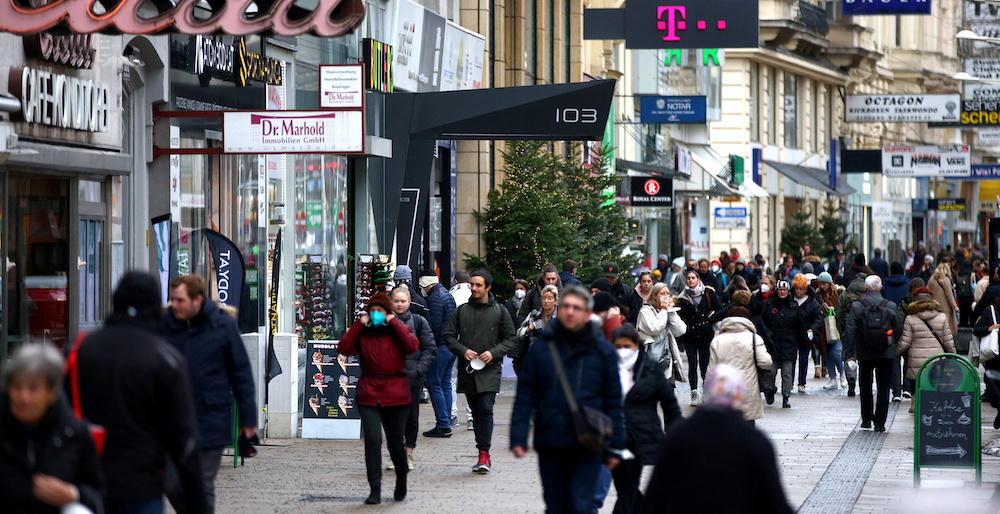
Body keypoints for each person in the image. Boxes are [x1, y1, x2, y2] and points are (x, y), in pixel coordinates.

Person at [76, 272, 206, 514]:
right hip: (141, 487)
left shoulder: (80, 351)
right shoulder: (165, 359)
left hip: (86, 487)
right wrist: (198, 504)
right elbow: (185, 440)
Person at [510, 286, 625, 513]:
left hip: (588, 438)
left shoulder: (602, 350)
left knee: (581, 503)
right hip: (551, 438)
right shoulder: (542, 348)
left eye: (577, 308)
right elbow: (525, 395)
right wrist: (518, 435)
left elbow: (613, 400)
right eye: (566, 307)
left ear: (586, 313)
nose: (571, 312)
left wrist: (615, 447)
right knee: (555, 504)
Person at [639, 364, 794, 514]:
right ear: (739, 395)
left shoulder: (678, 436)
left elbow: (656, 496)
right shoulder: (755, 442)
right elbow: (774, 501)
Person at [161, 274, 256, 513]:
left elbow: (241, 372)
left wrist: (248, 419)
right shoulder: (164, 325)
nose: (175, 305)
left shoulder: (222, 325)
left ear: (198, 300)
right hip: (172, 420)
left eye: (180, 300)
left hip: (210, 417)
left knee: (202, 484)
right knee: (171, 483)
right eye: (173, 299)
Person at [0, 344, 103, 514]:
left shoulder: (74, 434)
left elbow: (98, 496)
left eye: (33, 389)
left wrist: (73, 494)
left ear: (52, 392)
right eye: (17, 387)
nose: (23, 397)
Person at [339, 292, 420, 504]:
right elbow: (344, 348)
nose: (376, 314)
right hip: (369, 392)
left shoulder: (398, 330)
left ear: (388, 312)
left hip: (396, 393)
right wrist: (359, 324)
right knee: (373, 440)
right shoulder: (363, 334)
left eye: (380, 311)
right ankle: (375, 488)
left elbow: (412, 346)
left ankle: (401, 476)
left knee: (395, 443)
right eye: (372, 311)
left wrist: (393, 323)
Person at [445, 270, 518, 474]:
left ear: (488, 287)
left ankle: (484, 453)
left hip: (490, 368)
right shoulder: (461, 311)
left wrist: (493, 353)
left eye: (478, 285)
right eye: (472, 285)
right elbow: (449, 336)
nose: (474, 288)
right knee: (476, 410)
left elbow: (511, 339)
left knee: (485, 407)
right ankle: (482, 450)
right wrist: (463, 350)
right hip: (468, 369)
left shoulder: (500, 311)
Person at [608, 324, 682, 513]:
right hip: (612, 438)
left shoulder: (650, 369)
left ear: (636, 346)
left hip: (639, 438)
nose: (622, 351)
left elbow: (670, 406)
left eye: (627, 347)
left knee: (628, 486)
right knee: (625, 487)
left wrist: (675, 437)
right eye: (618, 347)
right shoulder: (606, 368)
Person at [844, 275, 902, 432]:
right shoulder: (890, 305)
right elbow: (898, 328)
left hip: (865, 351)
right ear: (881, 287)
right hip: (886, 352)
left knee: (865, 385)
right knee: (884, 386)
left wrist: (850, 353)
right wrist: (894, 346)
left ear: (866, 288)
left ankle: (866, 419)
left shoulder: (857, 306)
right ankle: (880, 422)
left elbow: (850, 331)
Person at [389, 287, 437, 471]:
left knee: (410, 418)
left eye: (403, 301)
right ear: (391, 302)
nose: (399, 304)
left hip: (411, 380)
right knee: (391, 419)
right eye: (396, 301)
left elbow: (430, 349)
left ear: (409, 302)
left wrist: (418, 371)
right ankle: (395, 453)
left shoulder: (419, 322)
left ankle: (408, 452)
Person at [708, 307, 773, 423]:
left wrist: (706, 396)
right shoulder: (754, 338)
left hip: (724, 388)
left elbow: (711, 370)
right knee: (748, 422)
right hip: (748, 386)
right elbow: (765, 362)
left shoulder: (717, 340)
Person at [897, 287, 955, 414]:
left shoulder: (910, 318)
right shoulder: (941, 317)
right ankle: (936, 404)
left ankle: (914, 405)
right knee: (936, 381)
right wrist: (954, 355)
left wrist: (895, 352)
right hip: (937, 357)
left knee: (915, 380)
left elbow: (905, 341)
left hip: (916, 357)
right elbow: (947, 340)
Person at [419, 270, 459, 438]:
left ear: (426, 285)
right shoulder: (447, 294)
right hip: (451, 346)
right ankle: (447, 420)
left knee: (435, 384)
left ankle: (443, 424)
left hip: (440, 346)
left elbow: (434, 325)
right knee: (445, 384)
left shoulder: (434, 297)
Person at [676, 268, 723, 405]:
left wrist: (711, 320)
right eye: (688, 278)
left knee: (705, 363)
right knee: (691, 363)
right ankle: (694, 392)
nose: (690, 280)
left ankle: (706, 392)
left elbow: (720, 309)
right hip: (690, 334)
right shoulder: (682, 297)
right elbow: (679, 315)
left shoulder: (708, 293)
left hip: (705, 333)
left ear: (698, 280)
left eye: (693, 278)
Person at [763, 280, 804, 408]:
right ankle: (769, 391)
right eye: (780, 290)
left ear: (788, 292)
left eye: (784, 290)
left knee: (787, 373)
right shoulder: (769, 305)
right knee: (771, 372)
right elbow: (763, 322)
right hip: (772, 344)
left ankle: (786, 396)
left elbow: (800, 326)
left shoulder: (793, 307)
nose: (782, 292)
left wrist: (803, 342)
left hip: (788, 344)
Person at [636, 282, 687, 382]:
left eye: (668, 294)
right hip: (650, 356)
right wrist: (664, 311)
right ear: (654, 296)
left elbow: (681, 330)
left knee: (669, 390)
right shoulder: (645, 311)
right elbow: (655, 328)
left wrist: (671, 312)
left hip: (667, 359)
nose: (666, 297)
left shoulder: (667, 311)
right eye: (662, 294)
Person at [835, 273, 868, 397]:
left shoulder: (845, 294)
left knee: (849, 355)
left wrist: (841, 330)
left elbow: (839, 314)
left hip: (849, 329)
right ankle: (864, 384)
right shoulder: (868, 293)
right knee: (864, 359)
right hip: (865, 330)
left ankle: (851, 380)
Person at [515, 284, 559, 374]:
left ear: (556, 300)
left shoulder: (561, 317)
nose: (546, 301)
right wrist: (528, 329)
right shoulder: (534, 315)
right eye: (544, 298)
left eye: (550, 298)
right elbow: (519, 333)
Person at [791, 274, 824, 392]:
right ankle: (790, 382)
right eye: (796, 288)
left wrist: (812, 329)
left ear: (805, 289)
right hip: (792, 333)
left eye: (801, 289)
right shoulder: (790, 300)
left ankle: (802, 382)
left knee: (804, 357)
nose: (798, 291)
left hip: (806, 333)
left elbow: (819, 318)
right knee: (791, 359)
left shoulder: (812, 303)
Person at [815, 272, 845, 390]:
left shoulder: (838, 293)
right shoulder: (818, 295)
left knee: (835, 352)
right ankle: (832, 378)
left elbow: (842, 308)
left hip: (835, 327)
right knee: (826, 354)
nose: (822, 286)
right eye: (820, 284)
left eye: (824, 284)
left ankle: (842, 374)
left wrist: (834, 309)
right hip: (823, 329)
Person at [928, 263, 959, 338]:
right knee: (945, 330)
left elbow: (928, 291)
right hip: (945, 308)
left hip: (934, 307)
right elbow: (949, 294)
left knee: (935, 328)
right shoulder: (946, 279)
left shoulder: (932, 279)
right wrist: (955, 306)